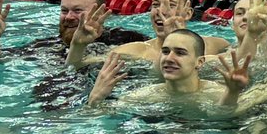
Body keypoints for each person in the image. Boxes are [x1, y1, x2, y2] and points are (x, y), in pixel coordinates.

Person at [66, 0, 228, 71]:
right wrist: (77, 45)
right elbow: (75, 66)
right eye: (155, 5)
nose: (161, 11)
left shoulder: (214, 44)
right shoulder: (137, 51)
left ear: (188, 14)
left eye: (171, 5)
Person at [0, 0, 145, 62]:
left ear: (100, 13)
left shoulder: (128, 40)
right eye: (64, 11)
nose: (69, 17)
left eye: (78, 11)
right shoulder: (47, 46)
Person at [88, 30, 220, 109]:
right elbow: (96, 116)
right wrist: (96, 98)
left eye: (180, 53)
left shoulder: (217, 94)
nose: (169, 58)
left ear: (200, 62)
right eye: (165, 51)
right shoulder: (145, 96)